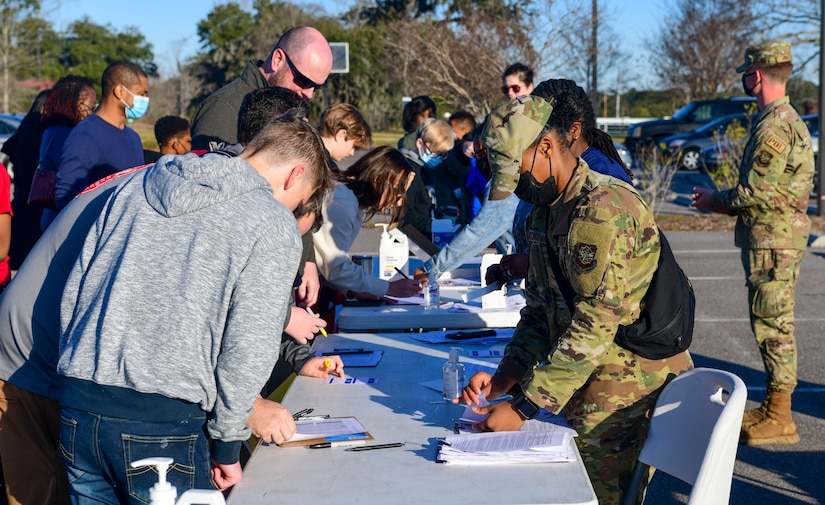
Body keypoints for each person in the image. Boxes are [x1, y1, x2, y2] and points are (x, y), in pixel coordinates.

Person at [56, 112, 331, 501]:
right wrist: (228, 444)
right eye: (297, 202)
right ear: (294, 175)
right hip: (162, 422)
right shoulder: (270, 221)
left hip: (79, 406)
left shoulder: (136, 186)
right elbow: (249, 344)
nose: (290, 211)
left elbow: (80, 288)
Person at [457, 94, 692, 505]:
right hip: (589, 368)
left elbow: (595, 323)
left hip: (629, 378)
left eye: (520, 172)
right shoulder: (544, 213)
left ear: (546, 147)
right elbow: (538, 313)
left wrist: (525, 407)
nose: (520, 187)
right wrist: (504, 378)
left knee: (585, 492)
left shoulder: (602, 210)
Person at [692, 41, 814, 446]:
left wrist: (714, 201)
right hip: (774, 239)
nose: (745, 79)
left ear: (757, 75)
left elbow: (754, 191)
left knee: (773, 325)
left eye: (746, 72)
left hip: (773, 241)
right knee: (770, 322)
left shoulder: (775, 123)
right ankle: (774, 406)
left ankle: (781, 417)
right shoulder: (781, 119)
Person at [487, 78, 634, 286]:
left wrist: (532, 266)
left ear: (573, 130)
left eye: (543, 123)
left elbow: (605, 277)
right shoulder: (549, 180)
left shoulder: (603, 187)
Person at [190, 26, 333, 149]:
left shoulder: (290, 110)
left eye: (317, 86)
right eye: (303, 80)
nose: (309, 94)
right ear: (277, 60)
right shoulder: (223, 108)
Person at [313, 146, 421, 302]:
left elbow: (324, 263)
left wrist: (353, 290)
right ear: (378, 182)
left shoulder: (351, 201)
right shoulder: (343, 201)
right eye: (398, 193)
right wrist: (389, 287)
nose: (398, 203)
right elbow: (336, 267)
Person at [54, 61, 147, 211]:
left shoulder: (133, 137)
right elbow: (67, 197)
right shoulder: (86, 135)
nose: (144, 100)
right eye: (141, 94)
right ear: (120, 92)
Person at [36, 76, 98, 230]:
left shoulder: (53, 128)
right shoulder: (66, 134)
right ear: (75, 105)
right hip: (60, 219)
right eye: (90, 108)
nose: (91, 114)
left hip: (52, 215)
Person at [0, 89, 51, 269]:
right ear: (44, 109)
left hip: (24, 213)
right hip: (26, 216)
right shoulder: (30, 138)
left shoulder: (30, 133)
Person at [399, 118, 455, 237]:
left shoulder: (432, 169)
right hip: (413, 241)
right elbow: (404, 215)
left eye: (443, 154)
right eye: (437, 153)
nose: (439, 158)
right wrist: (432, 225)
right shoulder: (408, 171)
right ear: (420, 143)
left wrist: (441, 212)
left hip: (430, 238)